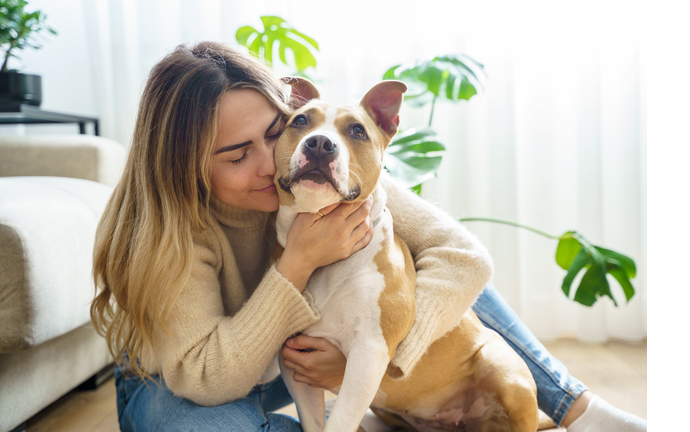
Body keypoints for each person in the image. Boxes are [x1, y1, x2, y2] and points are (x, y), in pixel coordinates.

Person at [90, 41, 646, 432]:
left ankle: (576, 408)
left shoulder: (318, 164)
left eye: (274, 134)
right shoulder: (168, 234)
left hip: (294, 357)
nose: (268, 164)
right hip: (181, 381)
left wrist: (380, 357)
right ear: (185, 166)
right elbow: (207, 377)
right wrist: (298, 263)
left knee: (420, 259)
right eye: (238, 155)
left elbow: (463, 257)